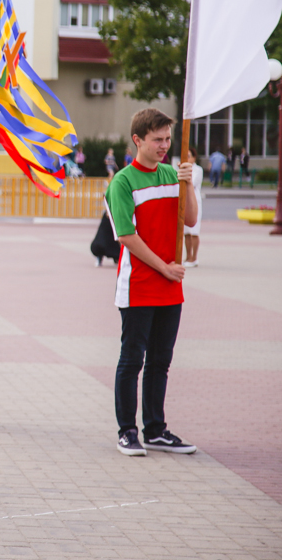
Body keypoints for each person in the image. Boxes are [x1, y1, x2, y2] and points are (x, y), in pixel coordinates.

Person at [105, 108, 198, 457]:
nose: (164, 146)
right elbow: (127, 237)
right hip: (139, 284)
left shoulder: (172, 175)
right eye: (157, 139)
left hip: (169, 284)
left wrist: (187, 184)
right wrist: (165, 268)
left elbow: (189, 219)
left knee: (161, 361)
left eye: (167, 139)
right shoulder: (123, 182)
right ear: (138, 140)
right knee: (133, 360)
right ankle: (127, 431)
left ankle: (156, 429)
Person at [183, 147, 203, 268]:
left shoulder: (197, 169)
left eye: (189, 156)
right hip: (185, 202)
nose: (187, 158)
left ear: (194, 157)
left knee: (194, 231)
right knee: (186, 232)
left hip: (195, 202)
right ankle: (188, 256)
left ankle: (194, 258)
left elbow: (193, 182)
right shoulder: (182, 168)